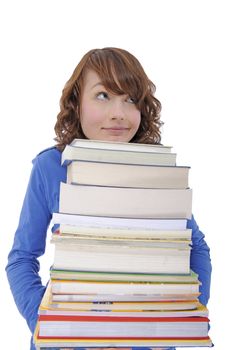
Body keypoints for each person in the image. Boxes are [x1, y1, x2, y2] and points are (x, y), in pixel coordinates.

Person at [6, 47, 212, 350]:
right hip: (66, 340)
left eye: (130, 99)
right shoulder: (50, 167)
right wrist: (46, 325)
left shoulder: (157, 171)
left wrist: (182, 319)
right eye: (103, 95)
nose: (118, 113)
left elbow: (198, 249)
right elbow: (21, 259)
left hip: (148, 339)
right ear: (76, 103)